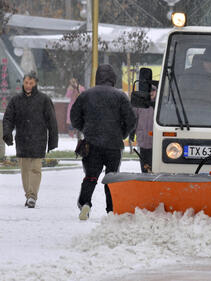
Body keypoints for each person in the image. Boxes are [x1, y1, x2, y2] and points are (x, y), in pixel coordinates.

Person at [70, 64, 136, 220]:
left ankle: (85, 203)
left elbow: (74, 117)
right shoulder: (120, 96)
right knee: (111, 177)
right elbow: (131, 119)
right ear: (113, 78)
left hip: (92, 143)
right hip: (113, 145)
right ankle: (111, 209)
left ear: (97, 77)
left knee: (91, 176)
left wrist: (85, 128)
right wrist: (122, 133)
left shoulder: (86, 95)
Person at [2, 71, 58, 208]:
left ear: (36, 84)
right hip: (22, 139)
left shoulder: (44, 100)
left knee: (35, 169)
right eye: (26, 82)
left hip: (39, 139)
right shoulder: (16, 100)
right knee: (25, 170)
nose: (28, 85)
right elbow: (8, 118)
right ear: (23, 82)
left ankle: (33, 196)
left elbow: (52, 121)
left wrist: (52, 141)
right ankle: (28, 195)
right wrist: (7, 133)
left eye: (31, 83)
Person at [132, 84, 157, 173]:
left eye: (153, 90)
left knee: (155, 168)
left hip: (156, 142)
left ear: (156, 91)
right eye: (149, 91)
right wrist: (132, 133)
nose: (151, 92)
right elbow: (134, 119)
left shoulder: (159, 104)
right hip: (142, 141)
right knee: (144, 167)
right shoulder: (140, 105)